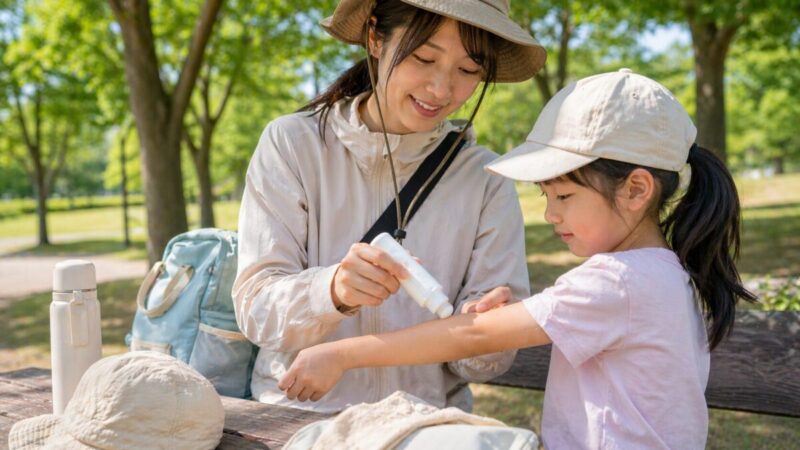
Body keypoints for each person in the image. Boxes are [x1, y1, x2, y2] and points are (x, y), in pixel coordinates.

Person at [278, 69, 757, 448]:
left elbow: (477, 336)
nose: (550, 214)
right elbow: (492, 326)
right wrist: (491, 317)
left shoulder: (620, 280)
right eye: (546, 196)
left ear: (635, 189)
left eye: (564, 196)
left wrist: (341, 353)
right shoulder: (664, 273)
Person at [232, 0, 546, 413]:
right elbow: (256, 307)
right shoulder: (293, 145)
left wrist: (482, 324)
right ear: (376, 38)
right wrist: (333, 290)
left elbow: (485, 363)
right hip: (304, 421)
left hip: (425, 427)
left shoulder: (485, 178)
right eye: (424, 58)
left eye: (468, 70)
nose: (441, 89)